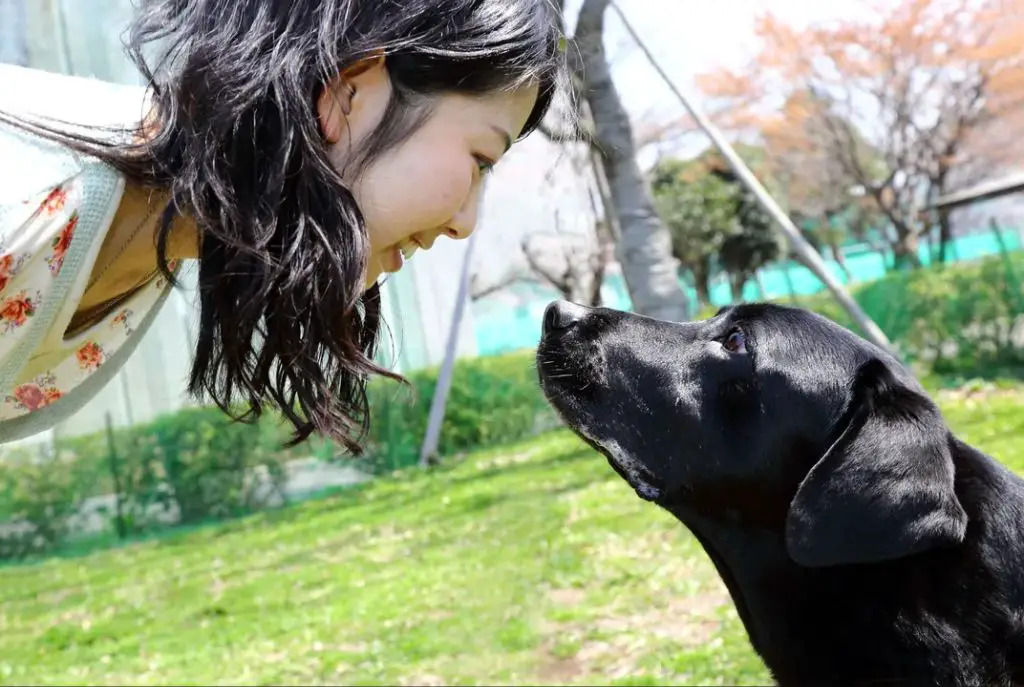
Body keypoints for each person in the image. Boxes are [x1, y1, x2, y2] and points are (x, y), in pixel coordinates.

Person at [0, 0, 565, 449]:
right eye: (480, 160)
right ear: (349, 90)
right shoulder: (26, 192)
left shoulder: (155, 231)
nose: (464, 224)